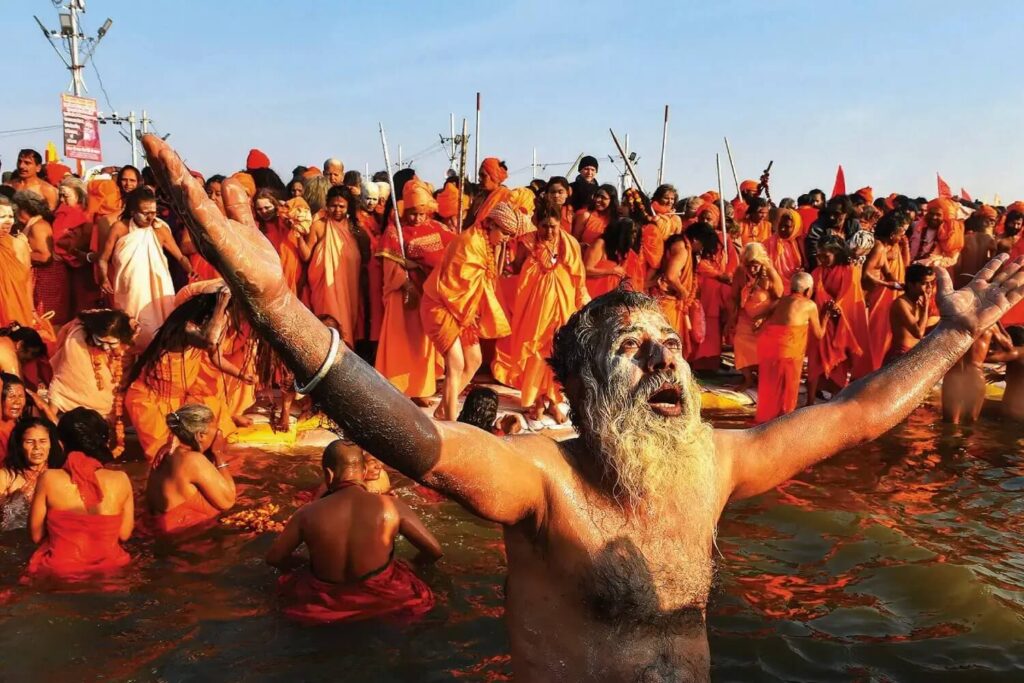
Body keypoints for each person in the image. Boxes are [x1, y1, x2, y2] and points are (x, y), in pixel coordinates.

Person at [147, 134, 1024, 681]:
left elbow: (860, 412)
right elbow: (418, 441)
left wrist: (952, 337)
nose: (667, 358)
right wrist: (279, 306)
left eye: (670, 342)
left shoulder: (716, 462)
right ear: (583, 391)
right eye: (635, 350)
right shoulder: (542, 481)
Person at [267, 440, 441, 624]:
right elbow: (434, 551)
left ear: (329, 474)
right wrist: (413, 563)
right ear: (364, 472)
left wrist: (303, 565)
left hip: (323, 604)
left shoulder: (306, 513)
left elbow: (274, 558)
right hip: (385, 600)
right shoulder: (392, 506)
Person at [421, 202, 524, 421]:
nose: (506, 239)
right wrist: (470, 315)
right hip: (441, 305)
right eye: (505, 233)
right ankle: (451, 421)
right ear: (492, 224)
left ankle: (443, 409)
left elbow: (484, 283)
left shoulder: (486, 243)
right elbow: (454, 287)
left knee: (475, 360)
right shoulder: (469, 243)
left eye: (510, 235)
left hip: (462, 310)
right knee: (456, 363)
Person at [124, 292, 255, 460]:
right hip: (154, 401)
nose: (223, 322)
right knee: (166, 456)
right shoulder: (186, 329)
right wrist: (220, 307)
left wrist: (241, 375)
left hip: (184, 397)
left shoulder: (202, 331)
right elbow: (209, 341)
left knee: (218, 434)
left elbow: (216, 356)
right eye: (221, 317)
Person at [492, 199, 589, 422]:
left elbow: (579, 276)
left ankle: (554, 401)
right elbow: (515, 267)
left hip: (562, 305)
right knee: (535, 352)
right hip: (534, 308)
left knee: (558, 352)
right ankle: (536, 401)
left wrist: (582, 302)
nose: (549, 231)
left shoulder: (569, 244)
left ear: (560, 224)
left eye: (553, 226)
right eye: (544, 226)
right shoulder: (527, 241)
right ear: (537, 223)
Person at [27, 408, 132, 580]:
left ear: (61, 443)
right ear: (103, 441)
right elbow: (124, 534)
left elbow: (36, 536)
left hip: (60, 572)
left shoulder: (48, 478)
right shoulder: (121, 479)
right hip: (110, 571)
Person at [374, 179, 453, 405]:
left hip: (428, 293)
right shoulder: (394, 232)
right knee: (400, 342)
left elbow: (451, 255)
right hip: (403, 295)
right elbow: (390, 266)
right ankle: (396, 388)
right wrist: (406, 281)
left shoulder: (438, 229)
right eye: (411, 214)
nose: (416, 218)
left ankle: (421, 389)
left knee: (423, 344)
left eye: (420, 214)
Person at [98, 186, 194, 349]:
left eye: (153, 212)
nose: (150, 217)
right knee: (130, 331)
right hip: (130, 289)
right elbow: (102, 259)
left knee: (159, 331)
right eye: (145, 213)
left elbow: (180, 256)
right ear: (133, 211)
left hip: (158, 290)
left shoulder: (160, 230)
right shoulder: (119, 228)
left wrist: (190, 270)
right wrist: (103, 278)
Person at [145, 404, 235, 535]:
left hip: (161, 530)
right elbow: (228, 502)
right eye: (216, 429)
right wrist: (219, 454)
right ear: (200, 435)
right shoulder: (193, 460)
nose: (219, 433)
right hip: (184, 535)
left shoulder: (167, 451)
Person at [755, 272, 827, 423]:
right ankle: (784, 422)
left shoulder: (779, 301)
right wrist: (826, 316)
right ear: (808, 290)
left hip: (769, 349)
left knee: (771, 386)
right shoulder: (809, 305)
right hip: (789, 352)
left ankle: (766, 420)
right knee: (787, 390)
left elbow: (761, 317)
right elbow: (819, 334)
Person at [806, 237, 871, 403]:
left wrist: (837, 308)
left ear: (836, 253)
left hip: (842, 323)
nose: (821, 260)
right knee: (815, 359)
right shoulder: (817, 272)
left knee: (840, 363)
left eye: (825, 256)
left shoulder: (850, 270)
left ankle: (837, 398)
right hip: (821, 321)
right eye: (819, 256)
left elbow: (851, 295)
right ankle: (810, 400)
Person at [301, 185, 362, 348]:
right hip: (324, 287)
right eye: (333, 206)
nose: (337, 210)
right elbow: (306, 255)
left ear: (348, 207)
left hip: (349, 288)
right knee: (327, 323)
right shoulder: (319, 225)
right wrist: (298, 235)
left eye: (342, 206)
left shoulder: (354, 228)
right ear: (327, 205)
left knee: (346, 325)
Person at [46, 309, 136, 417]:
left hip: (110, 405)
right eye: (100, 341)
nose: (105, 347)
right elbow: (64, 381)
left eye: (111, 343)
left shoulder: (129, 345)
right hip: (71, 395)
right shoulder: (78, 338)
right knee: (58, 392)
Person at [728, 243, 784, 391]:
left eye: (755, 266)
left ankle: (764, 378)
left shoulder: (770, 273)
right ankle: (748, 379)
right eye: (748, 266)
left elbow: (779, 299)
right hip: (746, 318)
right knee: (739, 342)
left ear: (762, 263)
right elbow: (734, 297)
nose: (752, 270)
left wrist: (763, 317)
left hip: (767, 318)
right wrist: (732, 318)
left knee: (766, 349)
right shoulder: (740, 272)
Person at [863, 214, 911, 369]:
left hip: (879, 293)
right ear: (892, 235)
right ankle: (870, 368)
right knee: (876, 333)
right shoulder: (878, 247)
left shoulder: (883, 247)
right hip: (871, 295)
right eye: (900, 235)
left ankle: (876, 367)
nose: (901, 238)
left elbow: (888, 272)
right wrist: (887, 285)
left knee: (883, 333)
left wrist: (903, 285)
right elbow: (866, 274)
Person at [12, 190, 65, 324]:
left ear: (24, 209)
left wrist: (16, 254)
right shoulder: (31, 224)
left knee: (46, 318)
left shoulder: (38, 226)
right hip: (41, 277)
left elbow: (44, 256)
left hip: (47, 279)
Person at [0, 417, 62, 530]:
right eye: (29, 442)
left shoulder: (60, 474)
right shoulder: (6, 476)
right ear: (19, 445)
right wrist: (15, 501)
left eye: (43, 441)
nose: (37, 447)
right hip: (13, 537)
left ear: (51, 444)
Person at [941, 324, 1009, 425]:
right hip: (974, 375)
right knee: (970, 423)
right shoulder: (990, 325)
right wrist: (998, 323)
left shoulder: (950, 322)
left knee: (950, 424)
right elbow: (1008, 346)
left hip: (954, 376)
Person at [650, 234, 700, 359]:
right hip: (666, 301)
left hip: (663, 299)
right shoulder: (682, 249)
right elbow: (671, 276)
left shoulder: (679, 247)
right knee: (667, 341)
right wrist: (683, 291)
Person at [887, 263, 937, 363]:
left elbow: (927, 328)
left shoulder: (920, 302)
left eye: (931, 283)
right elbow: (919, 333)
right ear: (911, 285)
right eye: (924, 283)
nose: (929, 287)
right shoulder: (901, 303)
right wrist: (925, 308)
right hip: (901, 357)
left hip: (916, 354)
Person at [584, 216, 644, 299]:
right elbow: (586, 270)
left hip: (608, 296)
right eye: (631, 234)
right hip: (593, 294)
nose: (633, 239)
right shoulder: (600, 244)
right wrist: (612, 271)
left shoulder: (620, 249)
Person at [0, 196, 36, 328]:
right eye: (2, 217)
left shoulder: (19, 245)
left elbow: (27, 281)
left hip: (18, 310)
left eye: (10, 216)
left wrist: (32, 310)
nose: (8, 221)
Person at [988, 325, 1024, 420]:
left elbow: (991, 357)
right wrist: (1003, 377)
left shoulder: (1019, 351)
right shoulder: (1019, 357)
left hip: (1016, 415)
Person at [955, 206, 998, 285]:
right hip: (980, 281)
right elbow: (992, 263)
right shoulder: (992, 241)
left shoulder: (965, 237)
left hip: (963, 278)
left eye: (994, 221)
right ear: (982, 221)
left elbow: (957, 264)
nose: (992, 223)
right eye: (990, 220)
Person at [765, 208, 804, 284]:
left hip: (798, 285)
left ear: (795, 228)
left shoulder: (801, 243)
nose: (782, 229)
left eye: (787, 226)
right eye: (780, 224)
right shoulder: (768, 244)